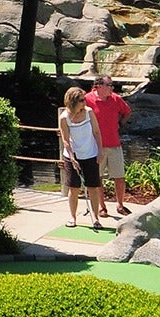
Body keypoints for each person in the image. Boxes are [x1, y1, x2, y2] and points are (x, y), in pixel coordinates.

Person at [58, 86, 107, 229]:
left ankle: (96, 218)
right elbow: (66, 140)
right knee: (73, 188)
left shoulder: (89, 113)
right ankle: (73, 218)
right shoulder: (64, 118)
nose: (84, 102)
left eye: (84, 99)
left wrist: (100, 151)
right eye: (81, 100)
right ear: (73, 101)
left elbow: (97, 133)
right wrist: (72, 158)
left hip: (90, 154)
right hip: (72, 155)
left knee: (93, 187)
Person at [85, 74, 133, 215]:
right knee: (97, 177)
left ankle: (120, 205)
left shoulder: (116, 99)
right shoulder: (88, 99)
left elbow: (127, 112)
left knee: (119, 176)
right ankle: (101, 206)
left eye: (112, 85)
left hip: (114, 144)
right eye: (109, 85)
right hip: (96, 146)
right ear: (99, 86)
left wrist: (119, 123)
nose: (112, 87)